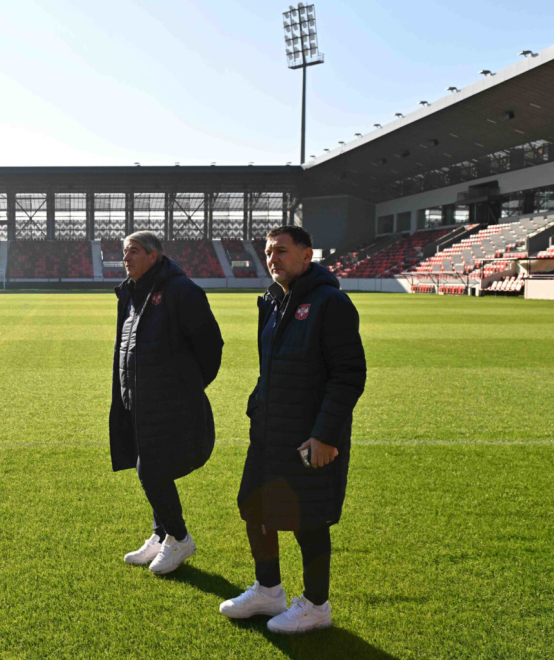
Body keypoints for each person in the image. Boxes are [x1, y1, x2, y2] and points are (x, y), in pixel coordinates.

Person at [219, 225, 366, 633]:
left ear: (307, 255)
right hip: (269, 430)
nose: (273, 258)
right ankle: (268, 589)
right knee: (255, 507)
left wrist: (326, 435)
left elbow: (349, 375)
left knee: (309, 519)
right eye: (268, 252)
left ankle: (317, 605)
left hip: (308, 435)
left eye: (281, 250)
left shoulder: (330, 303)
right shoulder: (272, 302)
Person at [109, 230, 224, 575]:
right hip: (138, 401)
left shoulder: (181, 291)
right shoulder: (131, 293)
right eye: (124, 252)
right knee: (147, 463)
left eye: (134, 251)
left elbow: (211, 347)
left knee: (152, 469)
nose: (126, 258)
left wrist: (186, 387)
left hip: (170, 403)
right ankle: (160, 535)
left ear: (154, 256)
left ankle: (179, 537)